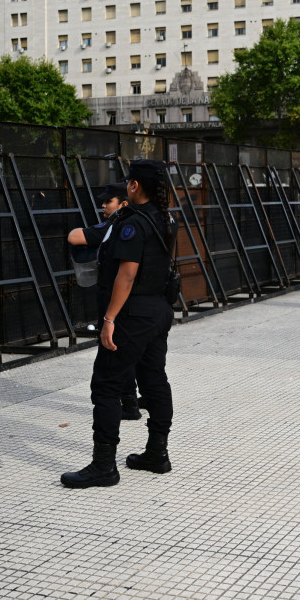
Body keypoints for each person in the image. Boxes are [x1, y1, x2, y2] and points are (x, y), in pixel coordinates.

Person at [61, 159, 176, 489]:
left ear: (134, 186)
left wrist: (109, 318)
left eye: (128, 181)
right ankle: (157, 453)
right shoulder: (165, 218)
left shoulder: (131, 224)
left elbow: (127, 274)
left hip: (132, 313)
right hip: (158, 309)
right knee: (154, 378)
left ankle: (103, 466)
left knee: (106, 385)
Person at [71, 182, 145, 420]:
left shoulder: (116, 225)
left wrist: (109, 317)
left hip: (115, 299)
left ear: (123, 203)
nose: (103, 205)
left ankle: (122, 406)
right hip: (138, 301)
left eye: (108, 202)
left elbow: (74, 236)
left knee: (111, 353)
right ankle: (131, 402)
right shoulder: (143, 220)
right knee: (127, 352)